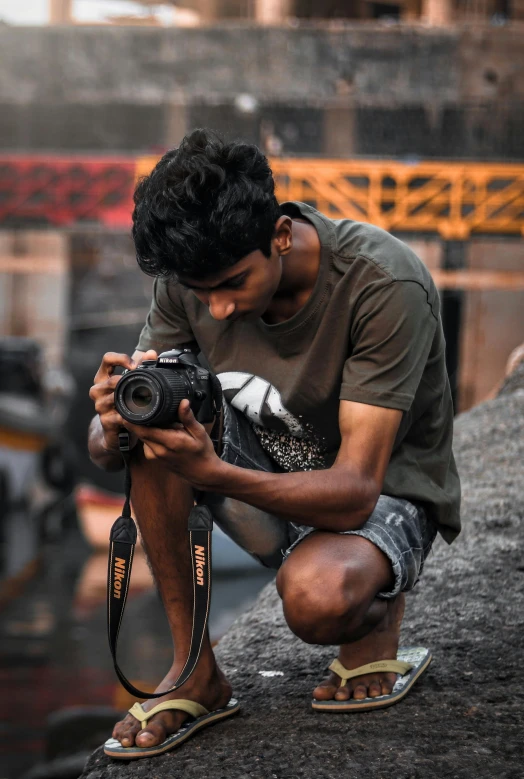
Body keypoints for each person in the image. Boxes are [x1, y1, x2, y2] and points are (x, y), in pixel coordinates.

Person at [88, 129, 461, 759]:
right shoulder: (194, 279)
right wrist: (112, 424)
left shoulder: (382, 284)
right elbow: (106, 450)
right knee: (154, 439)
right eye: (200, 291)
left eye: (233, 282)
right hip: (265, 462)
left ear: (280, 236)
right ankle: (195, 673)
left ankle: (376, 611)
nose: (219, 308)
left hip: (378, 491)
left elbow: (353, 493)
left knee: (317, 601)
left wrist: (213, 472)